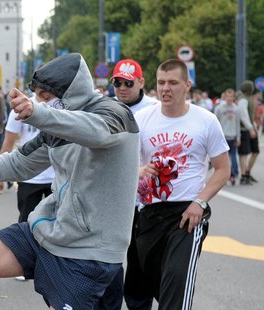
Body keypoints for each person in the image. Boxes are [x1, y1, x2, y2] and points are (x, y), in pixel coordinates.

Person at [0, 53, 141, 310]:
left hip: (88, 254)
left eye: (45, 97)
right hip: (46, 231)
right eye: (38, 96)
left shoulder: (114, 113)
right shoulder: (55, 127)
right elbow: (20, 161)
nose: (40, 102)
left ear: (70, 93)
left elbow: (94, 132)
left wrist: (38, 112)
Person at [127, 59, 230, 310]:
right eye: (161, 82)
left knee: (176, 283)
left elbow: (223, 169)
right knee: (146, 287)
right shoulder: (141, 119)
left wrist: (199, 202)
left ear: (187, 85)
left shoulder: (205, 120)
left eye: (173, 82)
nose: (165, 88)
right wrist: (138, 170)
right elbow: (124, 164)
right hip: (148, 214)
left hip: (186, 215)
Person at [97, 58, 158, 310]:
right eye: (117, 82)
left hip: (144, 202)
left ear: (141, 82)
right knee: (107, 260)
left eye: (128, 83)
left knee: (138, 263)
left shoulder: (154, 109)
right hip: (112, 198)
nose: (122, 87)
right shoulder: (105, 107)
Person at [214, 88, 256, 186]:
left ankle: (233, 174)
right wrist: (216, 137)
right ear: (224, 96)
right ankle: (223, 175)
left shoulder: (236, 109)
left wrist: (238, 137)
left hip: (233, 136)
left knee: (233, 157)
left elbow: (237, 124)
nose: (229, 98)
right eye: (227, 96)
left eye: (231, 96)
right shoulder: (219, 108)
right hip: (223, 137)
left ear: (234, 97)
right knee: (223, 159)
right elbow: (215, 123)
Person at [237, 80, 260, 185]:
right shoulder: (243, 100)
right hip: (244, 130)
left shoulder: (248, 98)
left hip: (250, 128)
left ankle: (247, 172)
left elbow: (249, 116)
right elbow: (243, 116)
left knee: (255, 152)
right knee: (244, 153)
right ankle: (243, 176)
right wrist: (251, 128)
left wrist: (253, 127)